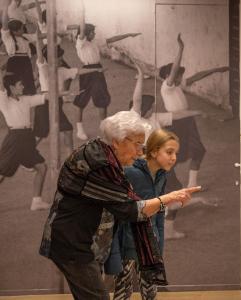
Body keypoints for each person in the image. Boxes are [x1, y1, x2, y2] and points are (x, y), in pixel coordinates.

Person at [39, 110, 201, 300]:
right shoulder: (102, 166)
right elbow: (132, 210)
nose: (140, 151)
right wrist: (169, 198)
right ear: (117, 141)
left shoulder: (98, 149)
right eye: (137, 144)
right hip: (73, 245)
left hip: (79, 240)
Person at [160, 33, 227, 238]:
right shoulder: (167, 86)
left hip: (187, 122)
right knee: (174, 159)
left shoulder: (178, 85)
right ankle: (167, 194)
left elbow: (196, 77)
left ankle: (189, 185)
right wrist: (181, 48)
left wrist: (216, 70)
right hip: (177, 124)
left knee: (199, 151)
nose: (180, 76)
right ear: (170, 77)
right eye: (177, 74)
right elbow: (174, 71)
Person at [107, 129, 181, 300]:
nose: (174, 158)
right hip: (128, 247)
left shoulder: (162, 176)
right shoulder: (130, 172)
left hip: (150, 247)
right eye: (169, 152)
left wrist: (159, 246)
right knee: (122, 292)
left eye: (175, 153)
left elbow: (160, 214)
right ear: (154, 151)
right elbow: (117, 213)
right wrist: (116, 252)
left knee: (150, 294)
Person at [72, 0, 140, 140]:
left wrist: (128, 34)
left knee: (102, 98)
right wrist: (82, 12)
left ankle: (104, 127)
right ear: (87, 33)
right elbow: (82, 29)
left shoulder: (94, 42)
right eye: (93, 32)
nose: (95, 34)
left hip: (98, 70)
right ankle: (79, 129)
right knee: (81, 100)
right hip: (87, 71)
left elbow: (112, 39)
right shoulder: (81, 43)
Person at [34, 23, 103, 155]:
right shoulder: (44, 68)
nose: (61, 58)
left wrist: (97, 69)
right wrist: (38, 41)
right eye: (59, 57)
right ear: (52, 59)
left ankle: (71, 157)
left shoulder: (62, 70)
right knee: (40, 135)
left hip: (57, 104)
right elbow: (40, 55)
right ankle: (27, 152)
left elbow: (79, 71)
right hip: (44, 104)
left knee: (68, 129)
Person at [0, 69, 49, 210]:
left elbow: (44, 97)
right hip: (15, 140)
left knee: (41, 167)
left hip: (27, 138)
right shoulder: (4, 102)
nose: (22, 87)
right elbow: (1, 88)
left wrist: (64, 95)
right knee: (2, 173)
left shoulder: (25, 100)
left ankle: (36, 202)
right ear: (12, 87)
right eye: (20, 84)